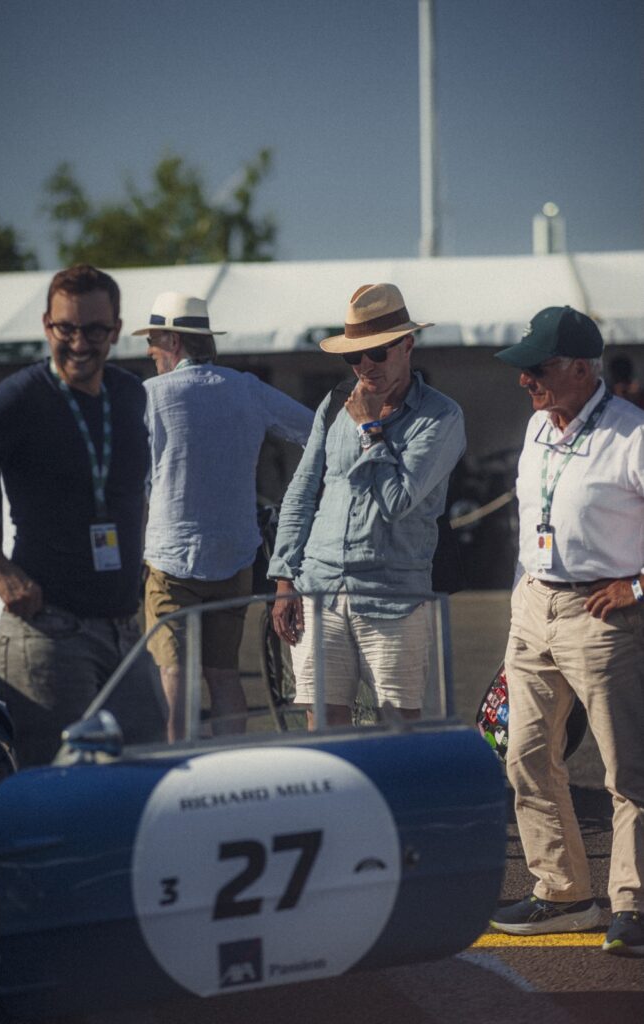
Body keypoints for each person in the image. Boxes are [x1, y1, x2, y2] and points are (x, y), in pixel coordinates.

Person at [489, 305, 644, 958]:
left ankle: (633, 903)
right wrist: (524, 600)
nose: (524, 379)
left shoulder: (631, 435)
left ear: (580, 369)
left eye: (536, 368)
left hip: (603, 616)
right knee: (522, 754)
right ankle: (561, 891)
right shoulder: (536, 429)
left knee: (627, 770)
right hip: (534, 610)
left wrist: (635, 588)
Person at [0, 264, 153, 767]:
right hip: (48, 636)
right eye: (65, 328)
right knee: (61, 795)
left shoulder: (130, 395)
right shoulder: (21, 397)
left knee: (149, 774)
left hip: (124, 630)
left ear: (115, 330)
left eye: (93, 330)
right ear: (47, 324)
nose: (78, 343)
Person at [268, 283, 465, 728]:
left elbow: (396, 501)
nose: (364, 366)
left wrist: (370, 429)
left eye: (377, 352)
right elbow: (301, 491)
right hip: (319, 587)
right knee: (323, 731)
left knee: (398, 729)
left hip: (392, 594)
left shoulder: (442, 416)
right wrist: (284, 580)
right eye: (353, 356)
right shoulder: (335, 402)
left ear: (407, 344)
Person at [134, 292, 313, 740]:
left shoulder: (150, 396)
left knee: (175, 676)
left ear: (173, 341)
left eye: (153, 340)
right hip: (234, 556)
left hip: (168, 560)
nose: (150, 351)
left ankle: (181, 772)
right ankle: (229, 771)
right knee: (224, 674)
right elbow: (317, 430)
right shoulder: (247, 388)